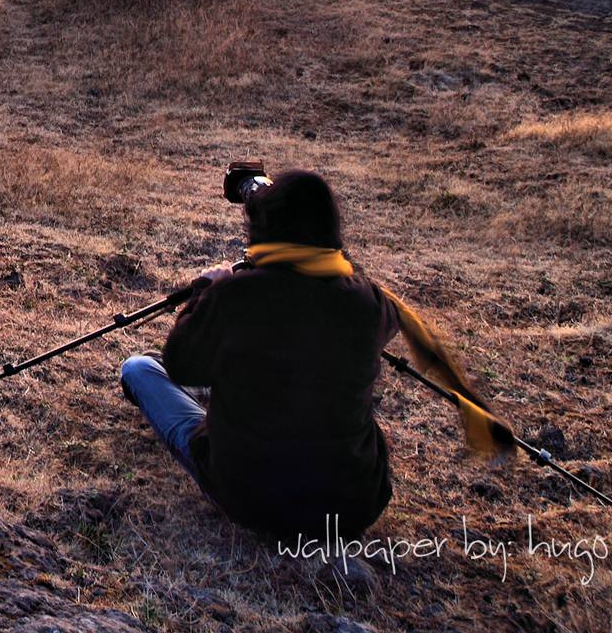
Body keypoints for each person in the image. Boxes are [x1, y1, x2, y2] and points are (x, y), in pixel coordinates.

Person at [116, 169, 511, 543]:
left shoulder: (233, 296)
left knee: (140, 369)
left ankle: (217, 404)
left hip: (252, 497)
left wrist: (206, 290)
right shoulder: (369, 302)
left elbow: (182, 365)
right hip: (355, 504)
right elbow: (336, 298)